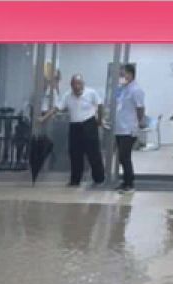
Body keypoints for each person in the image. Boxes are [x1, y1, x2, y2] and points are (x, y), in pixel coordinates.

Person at [63, 73, 105, 187]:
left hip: (89, 124)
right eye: (74, 84)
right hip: (74, 127)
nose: (76, 86)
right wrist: (44, 118)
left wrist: (100, 120)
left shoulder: (91, 92)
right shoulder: (67, 95)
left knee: (93, 153)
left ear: (83, 84)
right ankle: (75, 180)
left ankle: (99, 179)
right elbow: (57, 107)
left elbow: (100, 105)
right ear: (71, 85)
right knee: (75, 154)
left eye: (79, 83)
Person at [111, 64, 147, 192]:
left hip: (129, 128)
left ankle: (130, 183)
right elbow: (115, 102)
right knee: (121, 157)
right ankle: (125, 181)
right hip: (120, 127)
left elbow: (140, 108)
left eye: (123, 74)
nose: (121, 76)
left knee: (125, 156)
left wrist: (140, 121)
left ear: (130, 74)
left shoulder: (136, 90)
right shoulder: (122, 88)